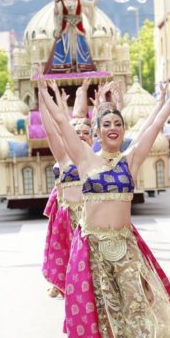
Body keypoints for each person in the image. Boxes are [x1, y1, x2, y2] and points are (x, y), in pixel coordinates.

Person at [38, 68, 170, 338]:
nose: (113, 128)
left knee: (136, 302)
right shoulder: (84, 160)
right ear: (96, 130)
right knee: (109, 311)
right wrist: (44, 92)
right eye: (106, 124)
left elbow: (155, 125)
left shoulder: (130, 161)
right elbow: (61, 126)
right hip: (92, 248)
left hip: (124, 244)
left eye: (118, 124)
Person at [37, 76, 98, 298]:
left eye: (86, 132)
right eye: (77, 132)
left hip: (92, 217)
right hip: (67, 216)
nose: (81, 135)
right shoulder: (64, 159)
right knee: (70, 259)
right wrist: (43, 96)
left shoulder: (98, 159)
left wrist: (100, 103)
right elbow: (53, 130)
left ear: (93, 137)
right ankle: (67, 289)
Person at [45, 0, 98, 75]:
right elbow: (57, 13)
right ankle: (67, 67)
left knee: (80, 46)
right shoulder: (61, 2)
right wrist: (55, 4)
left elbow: (91, 5)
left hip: (78, 28)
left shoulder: (79, 1)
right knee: (66, 46)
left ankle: (80, 66)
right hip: (67, 28)